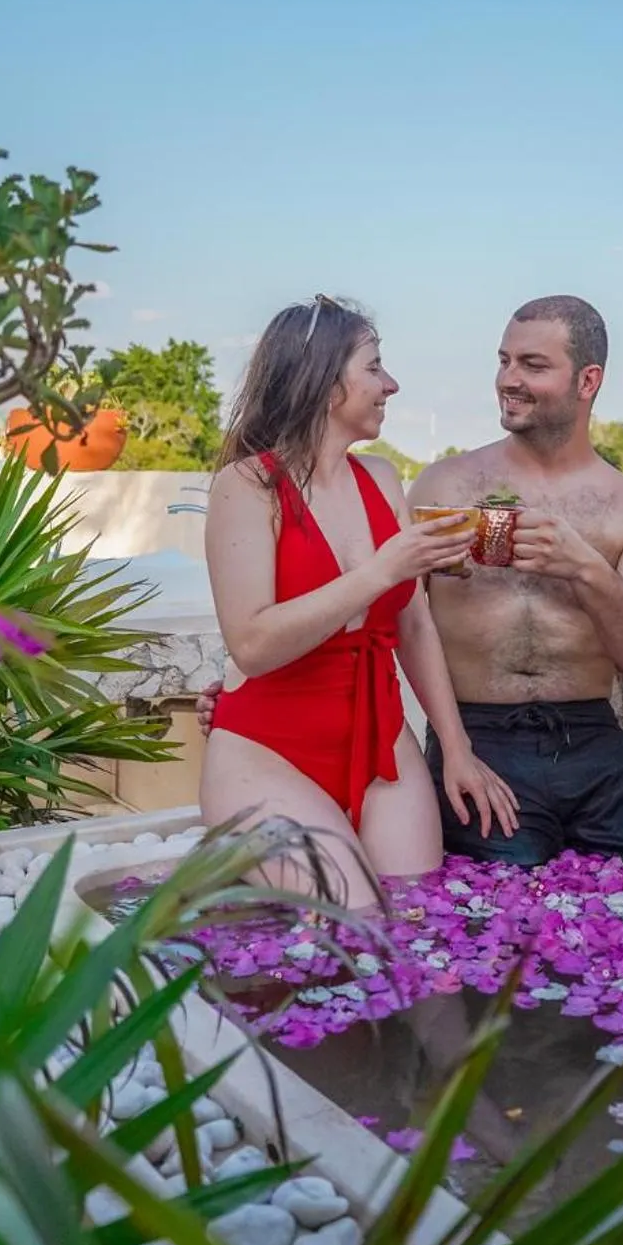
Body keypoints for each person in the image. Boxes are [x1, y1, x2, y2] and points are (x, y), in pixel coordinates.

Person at [200, 293, 623, 872]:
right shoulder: (441, 487)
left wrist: (585, 568)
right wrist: (245, 687)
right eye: (504, 360)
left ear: (588, 381)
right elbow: (289, 624)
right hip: (470, 729)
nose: (508, 379)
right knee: (488, 880)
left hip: (579, 736)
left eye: (532, 365)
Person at [198, 293, 518, 908]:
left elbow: (415, 627)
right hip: (269, 750)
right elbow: (252, 645)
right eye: (374, 367)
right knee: (352, 916)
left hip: (381, 744)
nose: (390, 384)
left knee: (416, 910)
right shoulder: (246, 486)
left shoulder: (381, 478)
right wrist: (382, 570)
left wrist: (457, 751)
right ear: (324, 383)